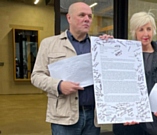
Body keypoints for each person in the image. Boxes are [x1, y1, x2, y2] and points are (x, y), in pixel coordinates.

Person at [31, 2, 112, 135]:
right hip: (64, 116)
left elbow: (110, 73)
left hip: (93, 115)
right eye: (82, 15)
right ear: (69, 18)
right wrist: (59, 85)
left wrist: (111, 46)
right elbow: (36, 76)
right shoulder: (49, 44)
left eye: (90, 16)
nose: (87, 19)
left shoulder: (99, 45)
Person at [112, 11, 157, 135]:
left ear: (153, 30)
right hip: (130, 122)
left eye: (148, 29)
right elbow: (115, 85)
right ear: (134, 32)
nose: (145, 34)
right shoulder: (123, 54)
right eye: (141, 29)